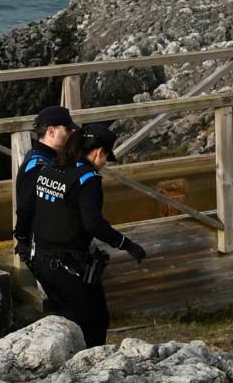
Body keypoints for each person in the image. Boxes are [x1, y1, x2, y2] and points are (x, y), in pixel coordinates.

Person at [27, 121, 148, 346]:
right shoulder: (88, 179)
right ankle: (90, 369)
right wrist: (127, 244)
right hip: (67, 266)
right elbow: (94, 224)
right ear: (99, 152)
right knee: (95, 321)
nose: (103, 165)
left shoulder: (49, 168)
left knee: (67, 320)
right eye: (105, 158)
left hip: (41, 262)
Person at [13, 105, 77, 263]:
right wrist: (22, 240)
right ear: (51, 131)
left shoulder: (44, 157)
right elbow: (26, 207)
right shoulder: (38, 166)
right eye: (67, 130)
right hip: (44, 250)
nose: (71, 134)